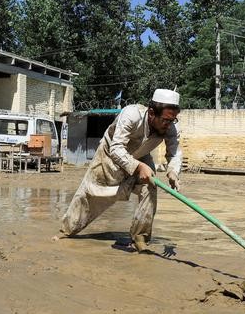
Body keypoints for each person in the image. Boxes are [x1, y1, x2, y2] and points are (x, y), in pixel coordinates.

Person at [58, 89, 182, 252]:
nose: (169, 124)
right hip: (109, 156)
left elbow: (175, 152)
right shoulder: (131, 114)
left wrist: (173, 171)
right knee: (88, 194)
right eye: (165, 120)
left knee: (150, 187)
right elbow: (116, 149)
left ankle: (140, 238)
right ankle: (66, 232)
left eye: (172, 120)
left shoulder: (170, 126)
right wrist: (138, 166)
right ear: (151, 112)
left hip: (141, 157)